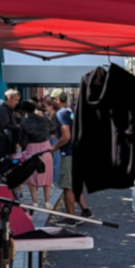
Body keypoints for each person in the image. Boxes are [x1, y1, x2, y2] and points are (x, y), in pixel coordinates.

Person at [50, 89, 92, 224]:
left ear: (57, 100)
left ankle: (71, 217)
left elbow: (66, 136)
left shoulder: (61, 114)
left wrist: (53, 148)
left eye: (52, 100)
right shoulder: (70, 112)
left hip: (69, 153)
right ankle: (86, 211)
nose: (51, 103)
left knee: (67, 187)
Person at [18, 101, 55, 207]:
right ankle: (47, 201)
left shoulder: (25, 122)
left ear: (24, 111)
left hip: (31, 147)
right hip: (45, 147)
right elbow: (52, 131)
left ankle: (35, 202)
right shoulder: (44, 119)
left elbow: (21, 140)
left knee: (31, 175)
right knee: (46, 172)